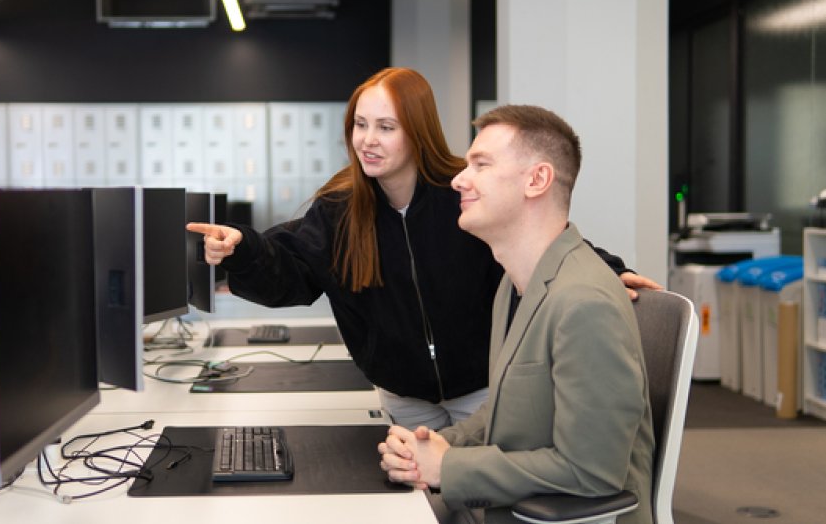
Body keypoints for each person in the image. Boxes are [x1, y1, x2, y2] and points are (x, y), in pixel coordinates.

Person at [186, 67, 660, 430]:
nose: (368, 140)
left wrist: (605, 269)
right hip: (402, 396)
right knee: (422, 504)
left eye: (386, 127)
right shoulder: (338, 210)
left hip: (486, 388)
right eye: (360, 125)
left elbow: (536, 237)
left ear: (418, 130)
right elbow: (288, 273)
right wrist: (243, 249)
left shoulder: (466, 192)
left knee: (481, 502)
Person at [377, 104, 654, 524]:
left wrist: (446, 467)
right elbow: (506, 410)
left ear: (537, 180)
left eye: (481, 164)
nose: (458, 179)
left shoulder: (584, 303)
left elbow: (592, 472)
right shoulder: (514, 284)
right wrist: (432, 443)